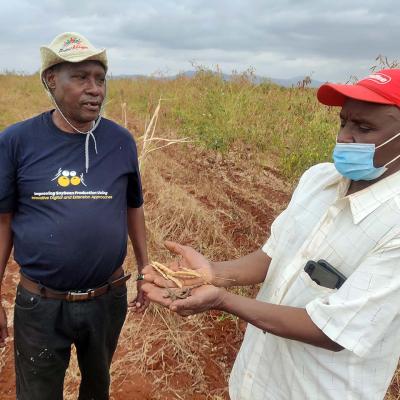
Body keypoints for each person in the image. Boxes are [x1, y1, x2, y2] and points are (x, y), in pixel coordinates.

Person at [142, 69, 400, 399]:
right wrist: (213, 273)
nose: (345, 137)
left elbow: (332, 330)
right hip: (256, 383)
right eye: (344, 122)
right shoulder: (318, 180)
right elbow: (273, 254)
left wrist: (222, 299)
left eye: (364, 128)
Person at [0, 32, 149, 400]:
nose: (94, 89)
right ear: (51, 80)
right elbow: (3, 221)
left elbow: (134, 206)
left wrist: (146, 265)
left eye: (100, 79)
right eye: (81, 77)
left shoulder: (120, 141)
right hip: (40, 304)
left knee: (97, 389)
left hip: (106, 300)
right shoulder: (17, 141)